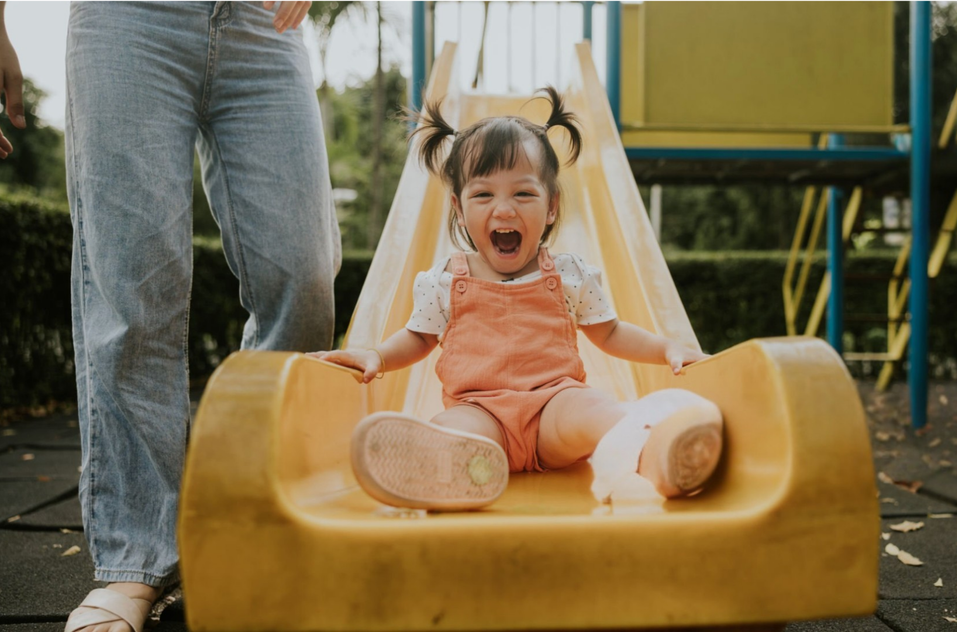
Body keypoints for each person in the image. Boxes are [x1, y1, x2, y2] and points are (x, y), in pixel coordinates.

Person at [0, 2, 340, 631]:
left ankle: (249, 512)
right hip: (129, 21)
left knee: (305, 278)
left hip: (263, 25)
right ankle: (137, 557)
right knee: (135, 293)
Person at [309, 88, 721, 512]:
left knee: (594, 409)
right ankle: (442, 471)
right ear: (459, 208)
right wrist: (376, 356)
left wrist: (666, 348)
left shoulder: (568, 274)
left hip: (553, 409)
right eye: (483, 195)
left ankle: (657, 453)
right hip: (481, 412)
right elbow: (418, 338)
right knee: (452, 427)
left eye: (523, 194)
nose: (504, 209)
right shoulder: (444, 280)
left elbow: (611, 332)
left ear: (551, 206)